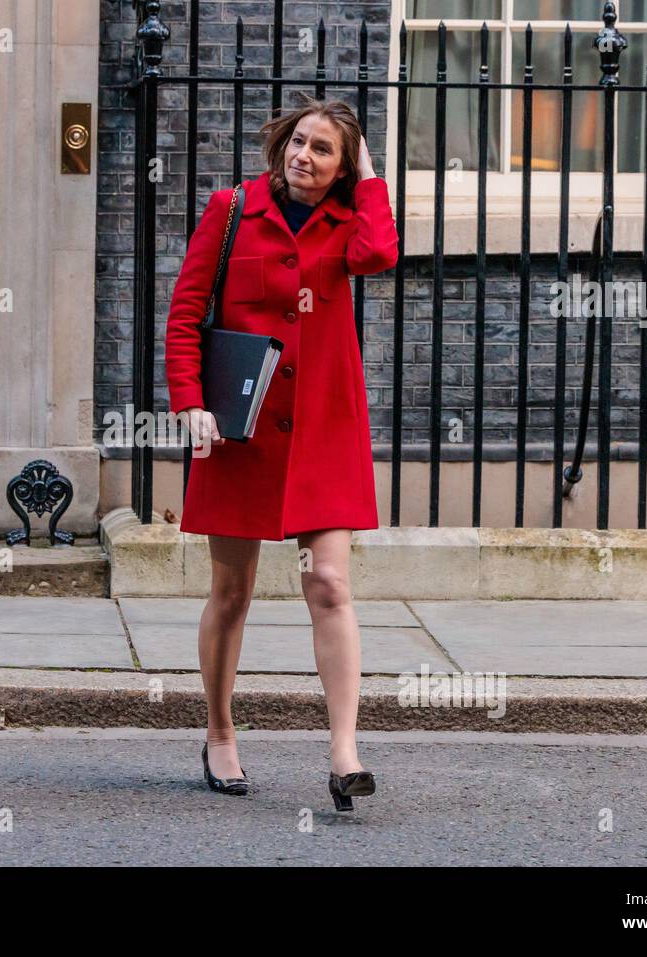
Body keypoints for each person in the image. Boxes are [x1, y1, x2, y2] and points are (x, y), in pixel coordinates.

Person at [163, 96, 399, 812]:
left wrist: (371, 177)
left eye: (324, 150)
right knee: (231, 593)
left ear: (342, 168)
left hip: (324, 428)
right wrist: (190, 403)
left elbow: (380, 255)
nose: (304, 156)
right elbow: (184, 311)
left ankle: (344, 753)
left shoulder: (348, 220)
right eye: (299, 142)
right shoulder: (233, 209)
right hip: (243, 430)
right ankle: (219, 728)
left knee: (328, 583)